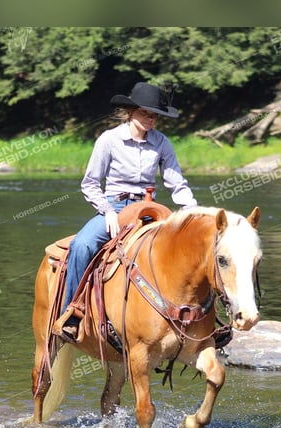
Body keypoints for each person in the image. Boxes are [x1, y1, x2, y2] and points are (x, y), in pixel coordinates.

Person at [56, 81, 198, 341]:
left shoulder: (162, 142)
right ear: (131, 112)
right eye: (145, 113)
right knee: (83, 245)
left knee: (185, 248)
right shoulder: (109, 140)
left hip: (151, 207)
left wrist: (194, 212)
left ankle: (193, 318)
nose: (151, 119)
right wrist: (107, 211)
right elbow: (89, 183)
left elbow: (176, 182)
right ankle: (72, 314)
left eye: (155, 115)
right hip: (117, 207)